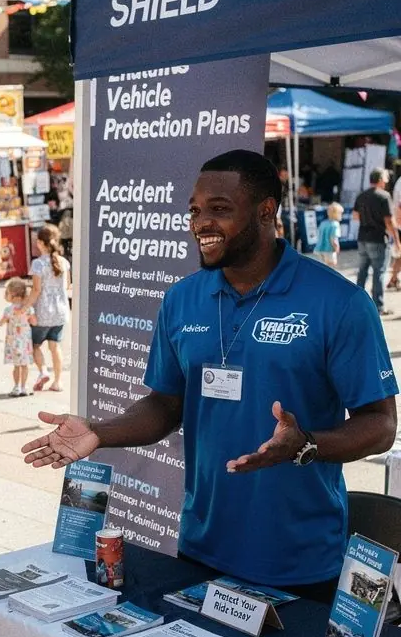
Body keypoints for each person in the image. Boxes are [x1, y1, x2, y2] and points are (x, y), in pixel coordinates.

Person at [23, 149, 398, 598]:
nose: (201, 223)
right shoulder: (182, 299)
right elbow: (166, 405)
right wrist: (100, 432)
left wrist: (306, 445)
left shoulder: (339, 302)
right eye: (195, 211)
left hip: (301, 561)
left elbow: (381, 425)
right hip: (201, 550)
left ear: (265, 211)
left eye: (219, 209)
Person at [28, 223, 71, 393]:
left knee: (35, 345)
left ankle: (43, 371)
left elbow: (36, 290)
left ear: (40, 243)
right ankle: (58, 382)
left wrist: (24, 307)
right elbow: (67, 286)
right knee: (55, 347)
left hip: (42, 313)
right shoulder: (64, 262)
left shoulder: (38, 264)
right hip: (60, 312)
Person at [354, 167, 400, 315]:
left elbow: (355, 216)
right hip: (378, 238)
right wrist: (397, 240)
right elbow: (389, 221)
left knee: (362, 272)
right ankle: (378, 306)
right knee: (379, 272)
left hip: (362, 237)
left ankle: (357, 304)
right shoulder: (384, 196)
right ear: (380, 179)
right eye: (385, 179)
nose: (386, 182)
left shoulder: (362, 195)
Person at [0, 276, 35, 397]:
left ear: (13, 295)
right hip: (25, 341)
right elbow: (34, 322)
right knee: (25, 365)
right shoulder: (28, 309)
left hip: (13, 341)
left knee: (16, 366)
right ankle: (24, 387)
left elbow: (1, 323)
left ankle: (16, 387)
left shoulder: (8, 310)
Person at [313, 202, 344, 268]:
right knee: (331, 267)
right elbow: (333, 240)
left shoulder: (323, 223)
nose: (342, 215)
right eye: (341, 213)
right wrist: (337, 249)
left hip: (319, 249)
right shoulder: (335, 225)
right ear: (337, 214)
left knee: (322, 268)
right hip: (329, 250)